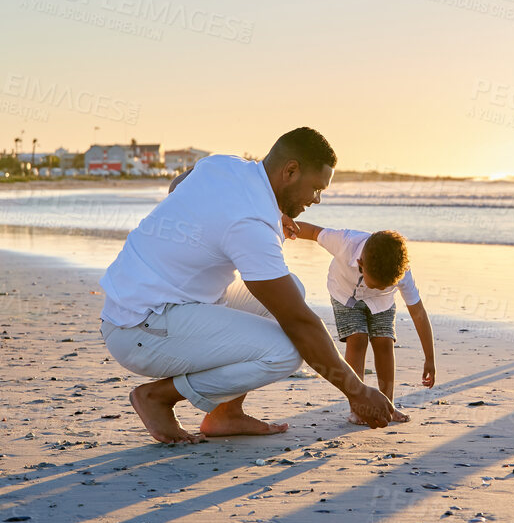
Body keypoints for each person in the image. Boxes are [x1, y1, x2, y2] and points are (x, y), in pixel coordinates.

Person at [98, 127, 406, 443]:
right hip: (138, 326)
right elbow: (300, 323)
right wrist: (357, 391)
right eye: (315, 188)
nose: (317, 199)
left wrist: (271, 216)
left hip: (153, 301)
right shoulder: (250, 225)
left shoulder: (226, 165)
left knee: (293, 290)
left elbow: (178, 186)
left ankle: (225, 413)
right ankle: (157, 397)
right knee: (287, 351)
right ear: (290, 171)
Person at [289, 220, 437, 418]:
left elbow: (418, 312)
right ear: (360, 264)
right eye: (376, 284)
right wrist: (278, 226)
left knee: (384, 342)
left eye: (386, 285)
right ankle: (358, 406)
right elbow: (315, 232)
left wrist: (429, 358)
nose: (378, 288)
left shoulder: (402, 272)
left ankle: (388, 406)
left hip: (381, 303)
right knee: (357, 339)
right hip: (345, 294)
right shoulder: (345, 242)